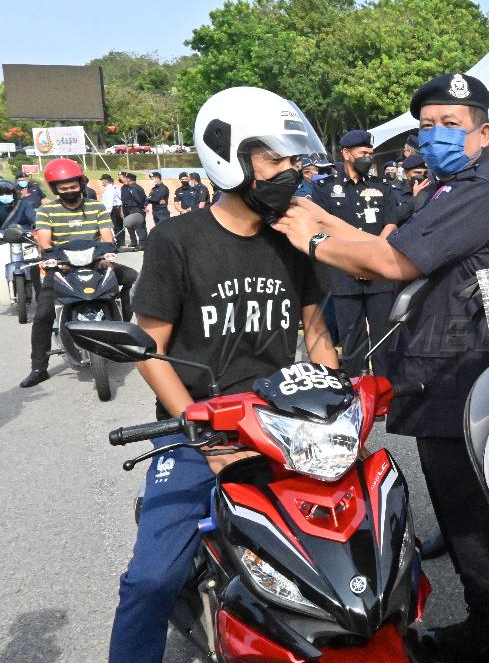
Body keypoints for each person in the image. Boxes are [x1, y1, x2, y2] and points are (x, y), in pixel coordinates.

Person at [271, 72, 489, 663]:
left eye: (451, 125)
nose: (435, 136)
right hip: (445, 377)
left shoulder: (482, 192)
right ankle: (487, 628)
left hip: (472, 381)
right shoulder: (451, 189)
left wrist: (314, 243)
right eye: (426, 126)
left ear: (484, 132)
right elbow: (385, 243)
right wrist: (318, 217)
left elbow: (393, 261)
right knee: (463, 519)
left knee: (483, 530)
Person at [108, 86, 338, 663]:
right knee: (151, 581)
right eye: (277, 159)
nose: (293, 170)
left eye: (294, 158)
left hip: (282, 423)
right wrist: (199, 431)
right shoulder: (175, 241)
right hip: (194, 427)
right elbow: (149, 349)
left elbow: (316, 335)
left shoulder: (293, 241)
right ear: (228, 158)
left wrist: (338, 404)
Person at [19, 158, 137, 388]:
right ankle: (38, 367)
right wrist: (51, 257)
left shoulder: (95, 207)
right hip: (62, 267)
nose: (69, 191)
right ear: (55, 189)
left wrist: (106, 258)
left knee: (134, 279)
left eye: (73, 186)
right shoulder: (47, 210)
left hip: (96, 264)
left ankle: (124, 333)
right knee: (43, 314)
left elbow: (106, 236)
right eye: (63, 188)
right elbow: (44, 238)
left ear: (80, 184)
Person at [309, 129, 399, 377]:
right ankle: (355, 390)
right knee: (352, 340)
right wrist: (354, 261)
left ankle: (384, 392)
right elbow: (323, 228)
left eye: (371, 153)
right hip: (344, 276)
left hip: (379, 273)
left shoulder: (382, 186)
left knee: (383, 339)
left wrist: (372, 256)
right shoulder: (325, 189)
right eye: (363, 153)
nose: (368, 158)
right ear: (346, 154)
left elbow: (391, 222)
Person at [120, 172, 149, 249]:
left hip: (135, 209)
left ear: (128, 179)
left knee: (139, 226)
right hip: (128, 209)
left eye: (126, 178)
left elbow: (140, 199)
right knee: (130, 226)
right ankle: (134, 242)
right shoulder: (127, 187)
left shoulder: (135, 188)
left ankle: (143, 244)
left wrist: (143, 207)